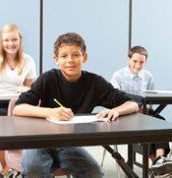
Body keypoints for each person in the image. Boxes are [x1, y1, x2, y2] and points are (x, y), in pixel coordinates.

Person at [12, 32, 139, 178]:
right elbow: (18, 108)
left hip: (68, 143)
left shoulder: (94, 82)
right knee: (35, 170)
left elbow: (132, 104)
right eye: (64, 56)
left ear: (84, 57)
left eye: (76, 55)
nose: (70, 60)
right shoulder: (48, 79)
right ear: (56, 59)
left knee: (94, 172)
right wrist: (50, 112)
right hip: (39, 139)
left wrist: (116, 110)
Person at [0, 24, 37, 177]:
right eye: (7, 40)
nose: (11, 44)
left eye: (14, 40)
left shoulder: (28, 60)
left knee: (25, 123)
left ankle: (15, 168)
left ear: (20, 41)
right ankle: (8, 168)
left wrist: (26, 89)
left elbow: (33, 89)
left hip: (18, 105)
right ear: (1, 42)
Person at [110, 46, 170, 161]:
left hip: (144, 113)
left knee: (159, 122)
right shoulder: (118, 76)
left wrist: (145, 110)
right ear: (128, 60)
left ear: (146, 62)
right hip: (123, 114)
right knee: (152, 125)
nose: (138, 65)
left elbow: (150, 100)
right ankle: (158, 161)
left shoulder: (148, 76)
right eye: (135, 61)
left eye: (141, 62)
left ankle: (159, 158)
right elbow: (114, 102)